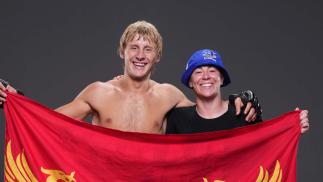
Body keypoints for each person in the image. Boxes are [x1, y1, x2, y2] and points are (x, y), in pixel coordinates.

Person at [0, 21, 260, 134]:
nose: (140, 55)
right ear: (122, 52)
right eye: (133, 47)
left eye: (148, 49)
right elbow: (52, 123)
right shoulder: (99, 92)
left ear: (157, 56)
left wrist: (241, 102)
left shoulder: (169, 95)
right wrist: (19, 103)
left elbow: (208, 116)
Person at [166, 49, 309, 134]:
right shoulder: (178, 119)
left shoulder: (244, 114)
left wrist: (291, 127)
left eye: (212, 70)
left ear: (221, 79)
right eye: (198, 72)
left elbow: (265, 148)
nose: (206, 76)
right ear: (190, 81)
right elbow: (162, 159)